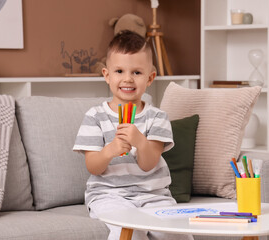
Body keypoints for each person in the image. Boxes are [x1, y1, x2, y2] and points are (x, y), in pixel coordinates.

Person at [73, 30, 193, 240]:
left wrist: (139, 141)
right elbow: (93, 166)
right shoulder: (95, 116)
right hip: (109, 196)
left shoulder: (157, 118)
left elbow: (149, 163)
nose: (127, 79)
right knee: (130, 230)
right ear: (107, 76)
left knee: (177, 234)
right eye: (119, 71)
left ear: (150, 78)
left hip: (154, 196)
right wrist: (110, 150)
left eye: (137, 72)